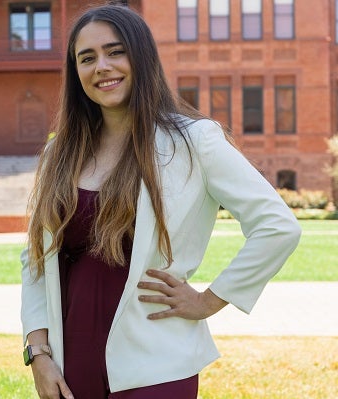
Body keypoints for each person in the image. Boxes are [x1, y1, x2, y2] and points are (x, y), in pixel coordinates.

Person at [20, 4, 301, 399]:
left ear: (142, 56)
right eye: (87, 57)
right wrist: (39, 352)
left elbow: (277, 226)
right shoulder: (60, 154)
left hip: (159, 361)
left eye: (115, 51)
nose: (102, 66)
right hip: (72, 363)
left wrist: (209, 301)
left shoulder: (194, 141)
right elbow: (35, 257)